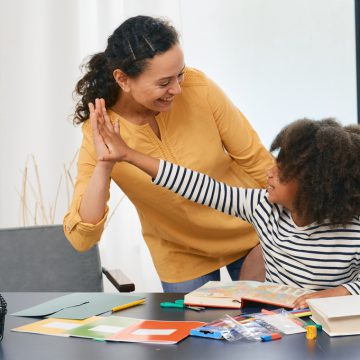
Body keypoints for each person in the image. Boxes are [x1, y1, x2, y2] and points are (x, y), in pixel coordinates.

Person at [63, 15, 274, 292]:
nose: (177, 89)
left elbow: (258, 162)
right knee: (193, 335)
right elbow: (82, 238)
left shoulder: (198, 89)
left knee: (271, 328)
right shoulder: (101, 130)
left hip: (250, 234)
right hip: (181, 254)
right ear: (123, 79)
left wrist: (282, 234)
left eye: (180, 74)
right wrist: (104, 165)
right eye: (164, 83)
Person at [92, 112, 360, 308]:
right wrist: (128, 154)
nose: (270, 171)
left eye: (282, 170)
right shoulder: (262, 207)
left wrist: (339, 293)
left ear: (315, 186)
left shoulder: (352, 230)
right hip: (280, 327)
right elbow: (200, 186)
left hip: (333, 330)